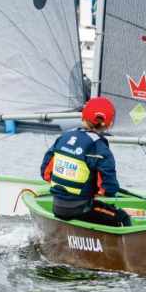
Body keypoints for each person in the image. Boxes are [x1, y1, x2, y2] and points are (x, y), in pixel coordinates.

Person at [39, 96, 132, 227]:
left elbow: (45, 173)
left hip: (58, 207)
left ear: (83, 117)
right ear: (109, 124)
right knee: (122, 218)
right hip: (81, 209)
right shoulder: (99, 147)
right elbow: (108, 188)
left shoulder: (64, 137)